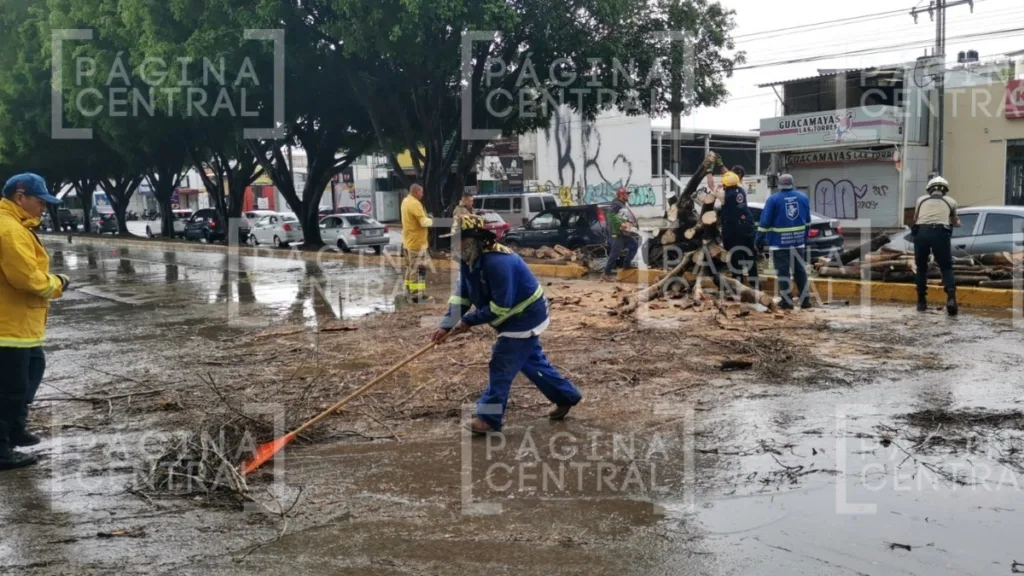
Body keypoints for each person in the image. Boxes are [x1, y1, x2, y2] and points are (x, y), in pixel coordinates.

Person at [432, 214, 581, 435]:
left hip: (525, 316)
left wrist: (467, 321)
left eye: (458, 240)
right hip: (511, 318)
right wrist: (447, 324)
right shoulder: (468, 259)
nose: (454, 246)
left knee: (501, 365)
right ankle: (566, 396)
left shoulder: (498, 262)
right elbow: (462, 296)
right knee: (531, 362)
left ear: (474, 239)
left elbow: (501, 307)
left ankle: (489, 418)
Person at [0, 173, 69, 470]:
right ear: (20, 197)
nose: (43, 208)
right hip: (8, 326)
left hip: (22, 325)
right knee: (10, 389)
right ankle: (1, 449)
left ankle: (16, 428)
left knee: (32, 370)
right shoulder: (10, 231)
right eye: (40, 201)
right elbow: (28, 279)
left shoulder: (17, 226)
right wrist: (58, 283)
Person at [755, 174, 811, 310]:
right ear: (792, 183)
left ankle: (787, 301)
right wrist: (803, 238)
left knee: (783, 272)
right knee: (800, 271)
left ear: (779, 185)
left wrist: (758, 239)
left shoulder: (773, 199)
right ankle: (805, 301)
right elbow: (808, 221)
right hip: (798, 242)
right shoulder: (803, 198)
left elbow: (765, 222)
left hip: (779, 243)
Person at [913, 176, 960, 315]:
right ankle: (951, 299)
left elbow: (916, 219)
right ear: (945, 190)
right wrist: (958, 223)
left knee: (921, 268)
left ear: (929, 189)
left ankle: (921, 302)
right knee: (946, 267)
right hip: (940, 233)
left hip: (921, 233)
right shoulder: (951, 202)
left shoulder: (921, 200)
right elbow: (954, 221)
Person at [720, 169, 759, 290]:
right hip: (747, 226)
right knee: (750, 256)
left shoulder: (725, 195)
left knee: (735, 257)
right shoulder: (741, 190)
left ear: (725, 184)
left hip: (733, 229)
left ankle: (738, 286)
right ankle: (755, 285)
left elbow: (715, 193)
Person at [400, 184, 433, 302]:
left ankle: (407, 292)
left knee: (410, 268)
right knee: (418, 269)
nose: (423, 195)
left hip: (408, 241)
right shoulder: (415, 203)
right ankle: (417, 295)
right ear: (416, 192)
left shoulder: (405, 201)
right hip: (417, 243)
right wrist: (431, 220)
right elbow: (423, 222)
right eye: (421, 192)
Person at [601, 187, 640, 282]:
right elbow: (610, 215)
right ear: (621, 195)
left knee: (634, 245)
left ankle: (626, 266)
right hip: (616, 234)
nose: (628, 195)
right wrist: (621, 224)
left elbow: (621, 217)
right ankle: (606, 273)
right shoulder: (616, 204)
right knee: (615, 253)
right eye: (626, 194)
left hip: (624, 233)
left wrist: (628, 222)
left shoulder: (622, 204)